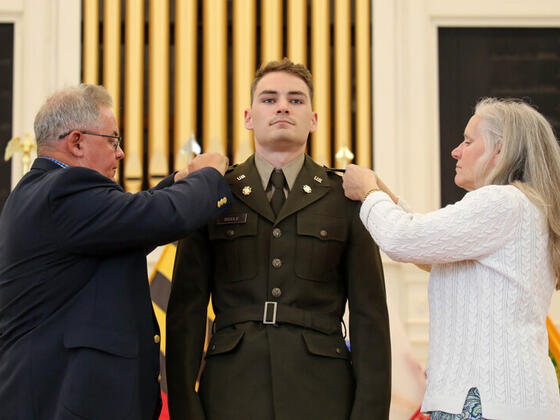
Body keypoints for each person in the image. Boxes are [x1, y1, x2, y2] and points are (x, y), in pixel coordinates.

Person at [166, 58, 391, 420]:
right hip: (231, 390)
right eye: (269, 99)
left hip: (323, 391)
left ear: (314, 120)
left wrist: (368, 413)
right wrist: (185, 408)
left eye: (296, 99)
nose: (283, 106)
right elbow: (185, 314)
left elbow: (370, 319)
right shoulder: (214, 193)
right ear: (248, 117)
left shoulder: (344, 196)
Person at [0, 84, 232, 420]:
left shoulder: (40, 193)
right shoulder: (63, 191)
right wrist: (209, 176)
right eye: (113, 140)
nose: (121, 153)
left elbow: (130, 225)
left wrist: (180, 180)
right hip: (64, 402)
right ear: (77, 141)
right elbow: (157, 217)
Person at [342, 97, 560, 420]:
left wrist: (367, 193)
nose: (456, 151)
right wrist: (382, 194)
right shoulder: (523, 207)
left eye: (469, 141)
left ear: (500, 150)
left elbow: (403, 239)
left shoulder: (500, 202)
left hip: (485, 401)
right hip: (510, 399)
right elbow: (433, 251)